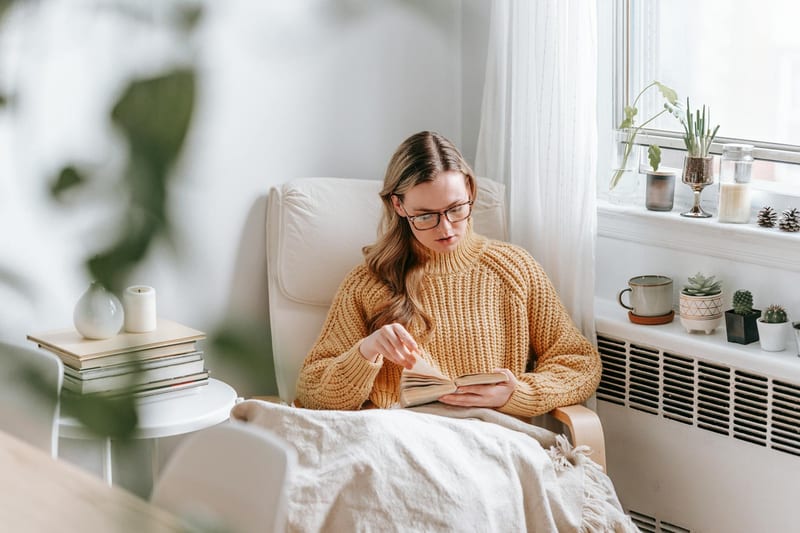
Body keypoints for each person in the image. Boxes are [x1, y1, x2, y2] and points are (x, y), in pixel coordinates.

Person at [296, 131, 601, 417]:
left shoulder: (514, 269)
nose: (446, 229)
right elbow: (312, 392)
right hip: (400, 444)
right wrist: (366, 351)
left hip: (490, 442)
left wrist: (517, 393)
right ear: (399, 206)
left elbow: (580, 364)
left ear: (470, 190)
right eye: (426, 216)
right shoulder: (368, 282)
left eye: (456, 209)